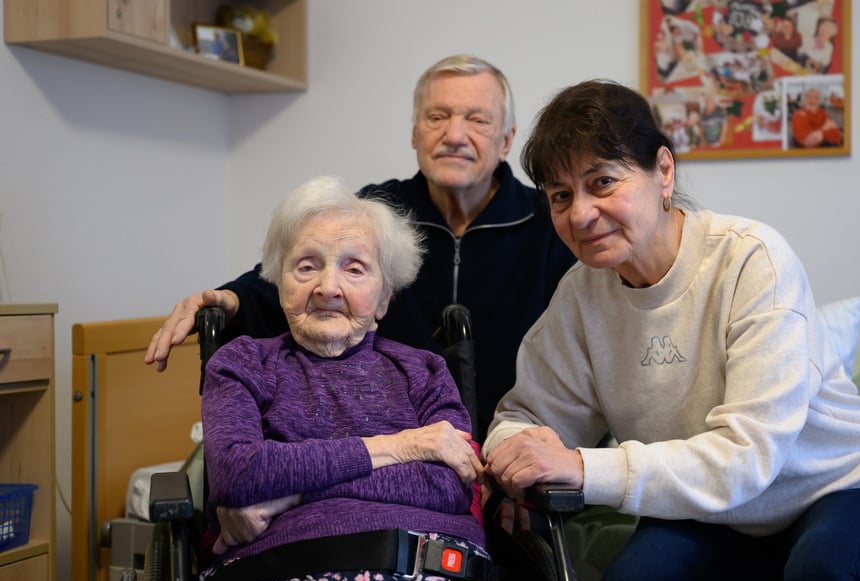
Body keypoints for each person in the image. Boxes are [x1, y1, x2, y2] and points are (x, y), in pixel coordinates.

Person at [482, 79, 860, 581]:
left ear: (663, 172)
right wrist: (515, 461)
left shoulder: (750, 259)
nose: (582, 214)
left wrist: (578, 466)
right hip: (717, 514)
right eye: (560, 195)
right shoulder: (581, 296)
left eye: (603, 182)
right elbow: (523, 417)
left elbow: (749, 456)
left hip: (839, 489)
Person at [145, 54, 575, 435]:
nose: (454, 135)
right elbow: (305, 280)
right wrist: (231, 299)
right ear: (414, 134)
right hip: (390, 451)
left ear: (506, 138)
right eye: (437, 117)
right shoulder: (375, 214)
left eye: (477, 120)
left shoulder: (550, 225)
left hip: (514, 449)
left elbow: (575, 368)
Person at [200, 174, 505, 581]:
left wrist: (290, 494)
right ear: (278, 282)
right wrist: (402, 446)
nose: (328, 286)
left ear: (384, 298)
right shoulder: (242, 363)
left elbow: (451, 485)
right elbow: (237, 473)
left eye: (354, 268)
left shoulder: (423, 370)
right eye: (306, 266)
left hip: (440, 574)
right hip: (293, 574)